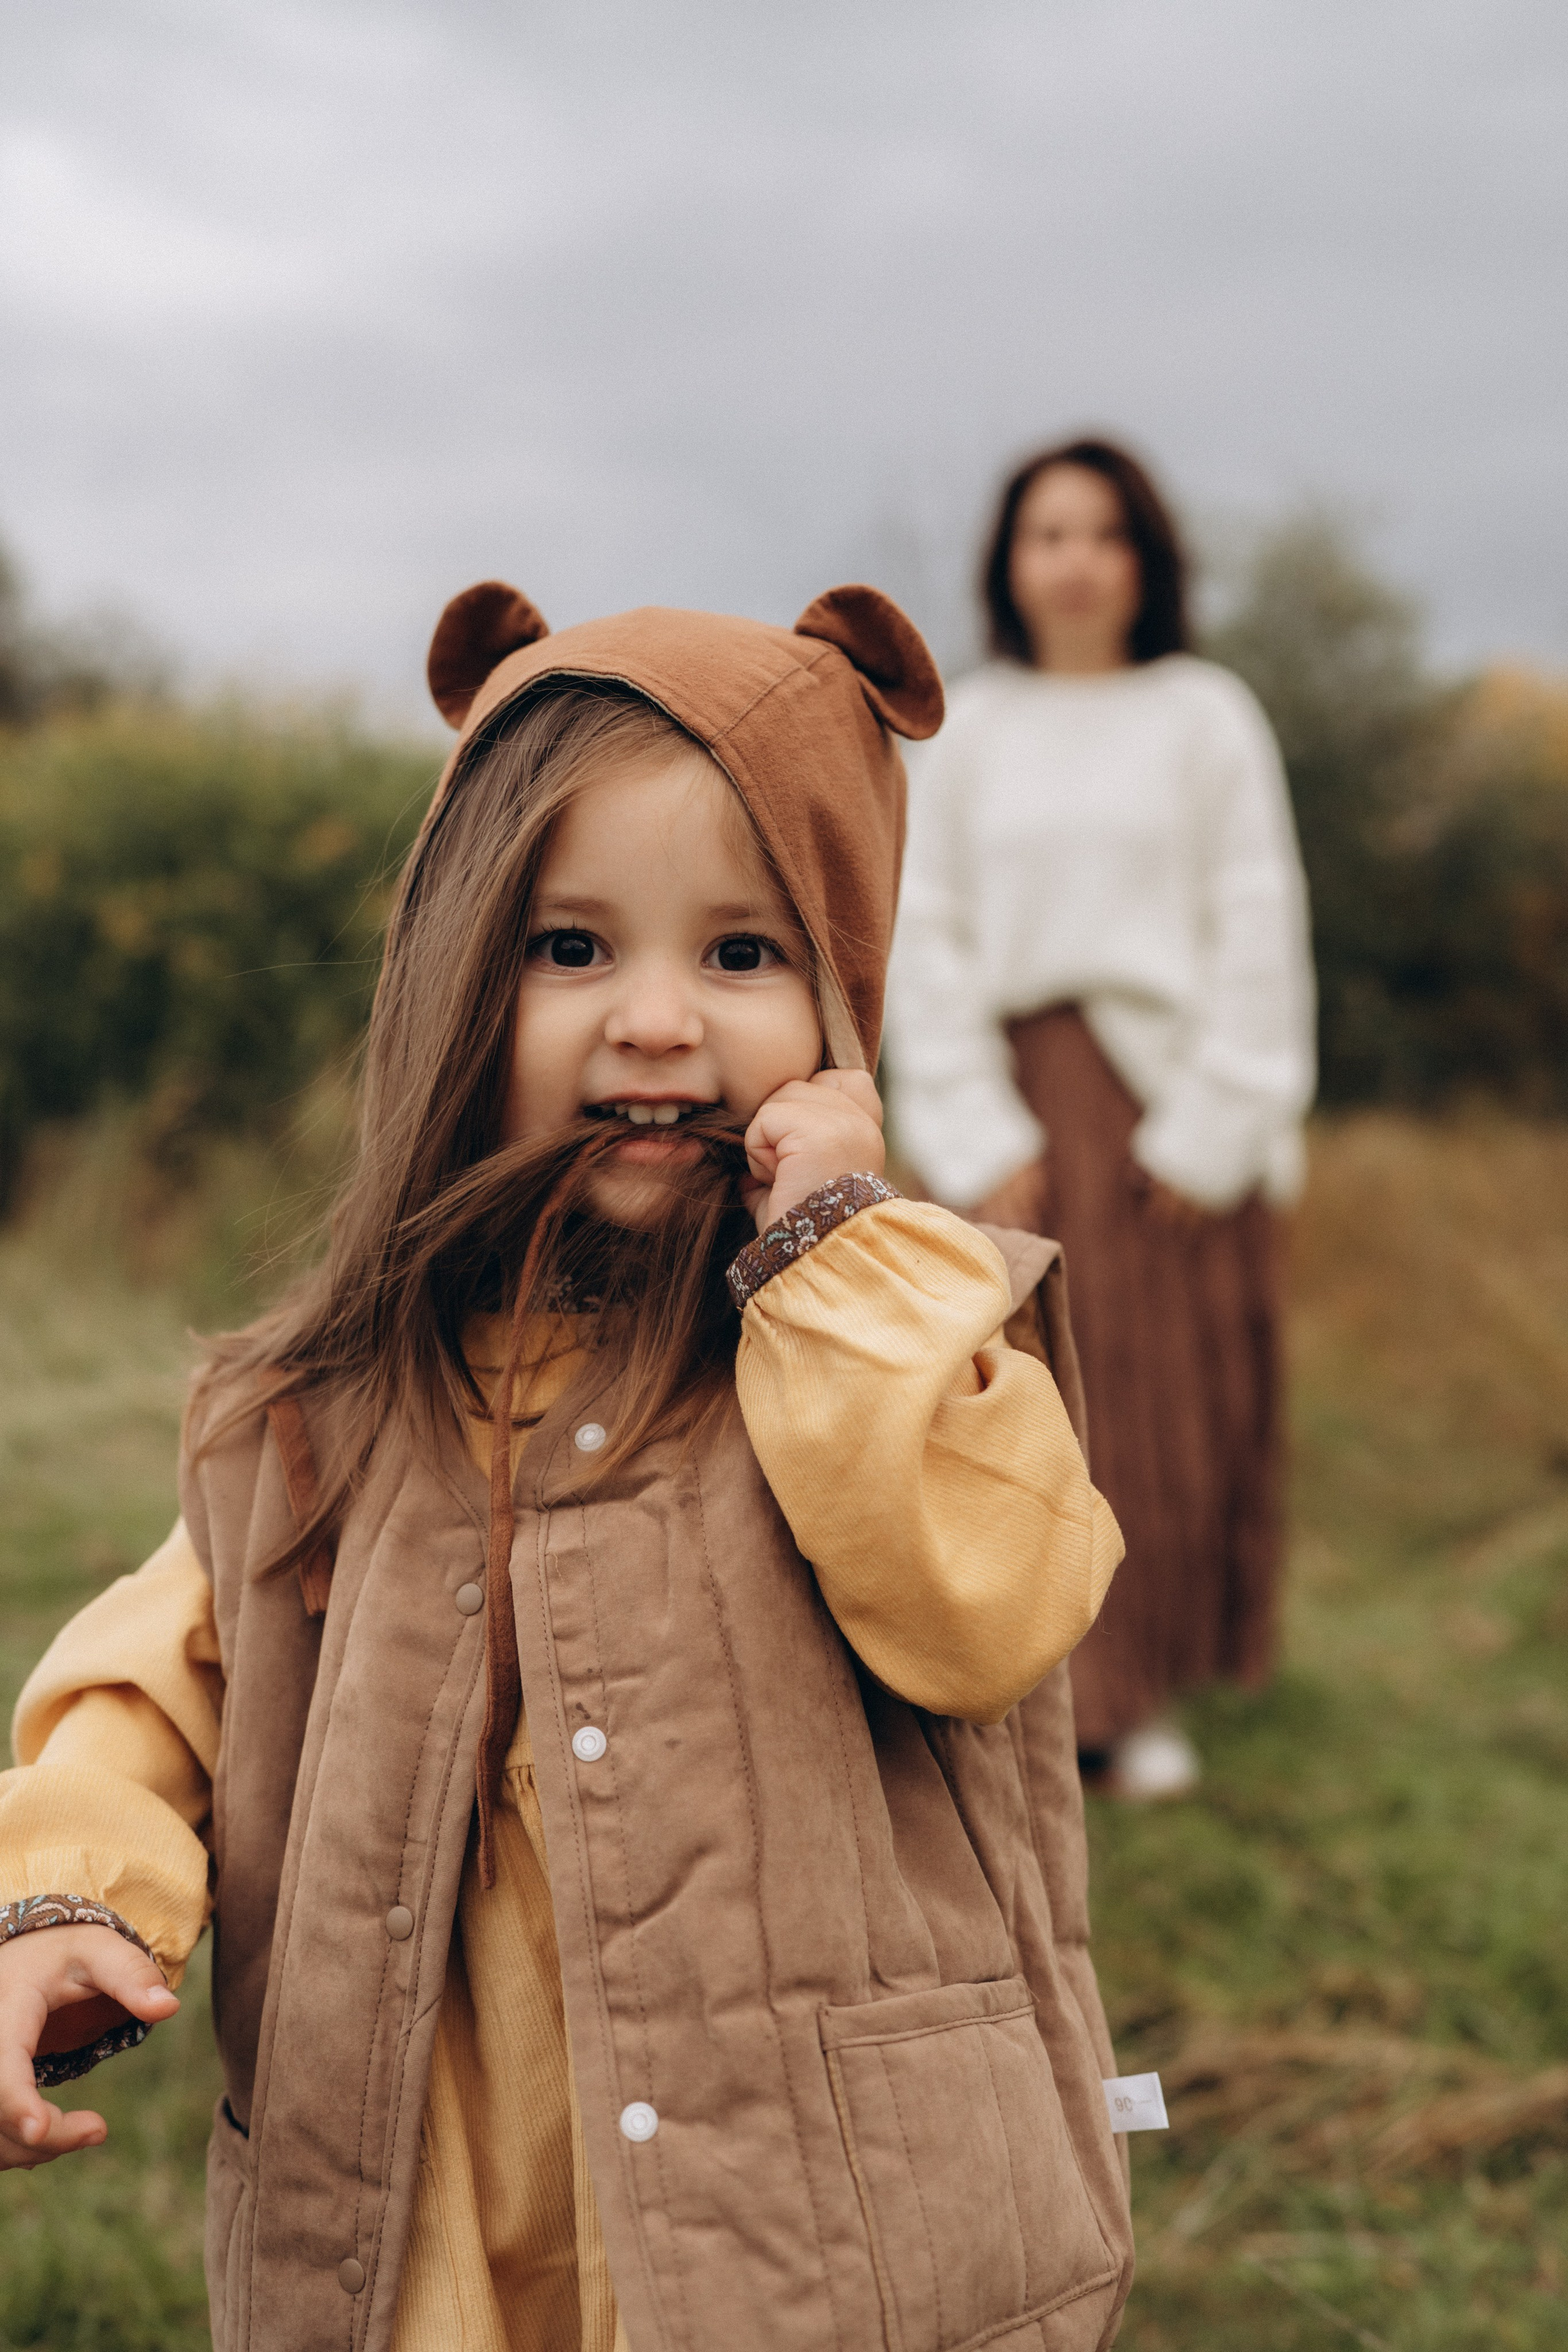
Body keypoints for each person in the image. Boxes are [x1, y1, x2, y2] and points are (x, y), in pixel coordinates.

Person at [0, 581, 1136, 2352]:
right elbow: (163, 1678)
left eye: (742, 955)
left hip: (815, 2233)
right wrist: (72, 1897)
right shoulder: (333, 1404)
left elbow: (986, 1607)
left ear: (841, 1006)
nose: (658, 1020)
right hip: (443, 2200)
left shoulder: (895, 1339)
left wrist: (834, 1251)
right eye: (570, 948)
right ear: (455, 988)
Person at [886, 438, 1315, 1803]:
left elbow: (1257, 921)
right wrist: (971, 1128)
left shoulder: (1205, 716)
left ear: (1146, 559)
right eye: (1048, 533)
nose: (1075, 561)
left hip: (1166, 1110)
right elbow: (923, 935)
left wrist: (1214, 1127)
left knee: (1158, 1403)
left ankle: (1138, 1695)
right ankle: (1013, 1690)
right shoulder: (967, 728)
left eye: (1104, 533)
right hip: (1016, 1107)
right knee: (1016, 1401)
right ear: (1008, 562)